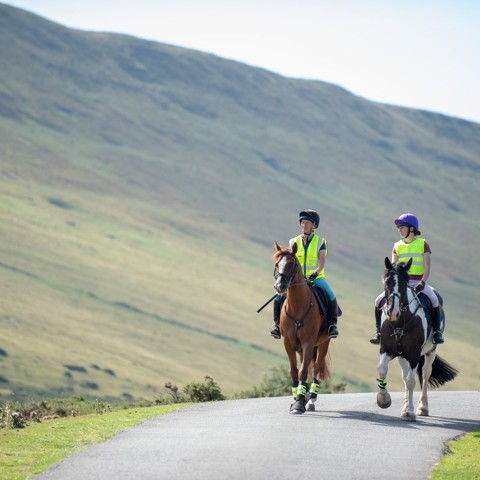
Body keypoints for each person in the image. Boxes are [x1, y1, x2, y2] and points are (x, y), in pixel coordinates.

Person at [370, 213, 444, 345]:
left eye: (402, 227)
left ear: (411, 229)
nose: (399, 229)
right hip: (401, 284)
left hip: (419, 282)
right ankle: (378, 332)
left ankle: (437, 332)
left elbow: (427, 267)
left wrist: (422, 282)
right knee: (377, 301)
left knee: (434, 300)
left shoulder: (423, 244)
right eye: (398, 227)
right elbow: (393, 269)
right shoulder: (396, 246)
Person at [270, 209, 339, 339]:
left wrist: (315, 273)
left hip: (316, 277)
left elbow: (322, 262)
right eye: (302, 222)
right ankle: (276, 325)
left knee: (331, 295)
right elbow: (291, 261)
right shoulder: (293, 242)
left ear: (314, 226)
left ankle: (332, 325)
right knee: (278, 296)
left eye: (307, 223)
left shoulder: (321, 242)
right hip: (297, 278)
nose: (304, 225)